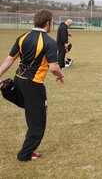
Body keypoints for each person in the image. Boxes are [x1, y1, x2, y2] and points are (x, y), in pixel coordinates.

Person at [0, 9, 65, 161]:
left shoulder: (23, 37)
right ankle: (25, 154)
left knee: (28, 105)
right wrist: (61, 76)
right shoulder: (49, 42)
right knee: (38, 121)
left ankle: (7, 88)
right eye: (52, 22)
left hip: (18, 79)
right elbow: (54, 67)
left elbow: (10, 60)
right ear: (48, 23)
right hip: (34, 84)